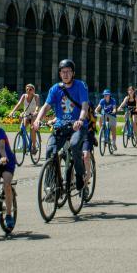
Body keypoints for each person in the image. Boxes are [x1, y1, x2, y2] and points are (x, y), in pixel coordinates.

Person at [33, 59, 88, 191]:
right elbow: (46, 106)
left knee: (75, 145)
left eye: (68, 71)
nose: (66, 74)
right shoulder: (55, 89)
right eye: (63, 72)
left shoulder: (80, 85)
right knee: (50, 151)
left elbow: (84, 106)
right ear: (59, 74)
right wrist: (37, 120)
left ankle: (80, 174)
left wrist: (80, 120)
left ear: (73, 73)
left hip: (77, 126)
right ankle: (51, 185)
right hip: (60, 126)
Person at [9, 84, 40, 153]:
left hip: (33, 115)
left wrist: (36, 111)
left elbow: (37, 106)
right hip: (26, 114)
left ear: (33, 90)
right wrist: (12, 112)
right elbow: (19, 104)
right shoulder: (24, 96)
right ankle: (25, 145)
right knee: (22, 129)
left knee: (32, 129)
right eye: (27, 89)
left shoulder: (36, 96)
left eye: (30, 89)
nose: (28, 91)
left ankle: (34, 147)